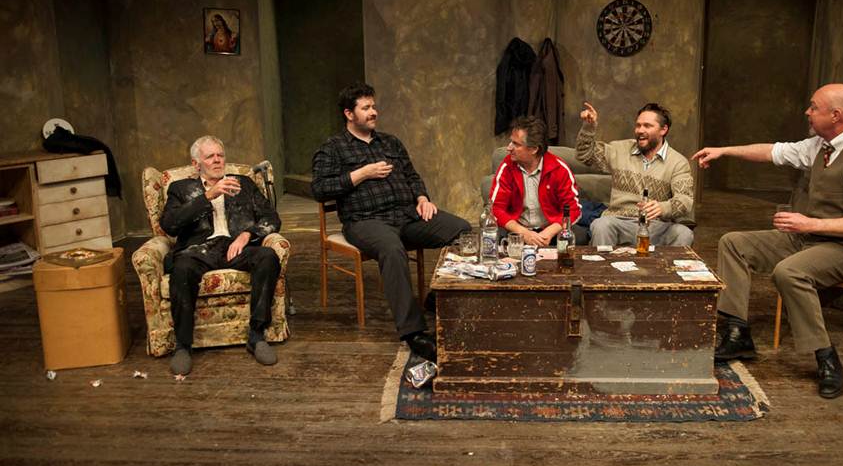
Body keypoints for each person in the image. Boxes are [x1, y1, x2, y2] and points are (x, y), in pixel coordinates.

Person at [692, 83, 843, 399]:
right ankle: (737, 333)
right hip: (808, 237)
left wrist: (810, 223)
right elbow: (773, 151)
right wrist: (724, 151)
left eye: (814, 107)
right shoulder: (820, 145)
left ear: (835, 115)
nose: (807, 112)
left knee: (789, 272)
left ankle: (826, 357)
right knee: (733, 243)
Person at [311, 83, 471, 363]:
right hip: (366, 221)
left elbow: (412, 176)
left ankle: (436, 296)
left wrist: (422, 198)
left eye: (373, 106)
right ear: (349, 113)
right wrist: (362, 173)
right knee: (392, 249)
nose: (373, 112)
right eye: (366, 108)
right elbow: (320, 189)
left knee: (463, 231)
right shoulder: (332, 148)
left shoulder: (390, 142)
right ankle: (413, 332)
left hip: (407, 215)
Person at [160, 136, 282, 376]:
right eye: (210, 156)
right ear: (196, 164)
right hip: (199, 250)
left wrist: (247, 234)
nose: (217, 160)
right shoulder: (180, 188)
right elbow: (170, 225)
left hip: (235, 247)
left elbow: (271, 218)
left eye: (220, 155)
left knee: (267, 257)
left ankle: (256, 335)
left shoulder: (243, 183)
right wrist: (208, 196)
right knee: (182, 269)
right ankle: (183, 346)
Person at [576, 101, 695, 247]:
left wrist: (663, 208)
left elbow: (685, 199)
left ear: (663, 130)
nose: (640, 130)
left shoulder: (678, 162)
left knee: (683, 233)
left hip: (656, 226)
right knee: (601, 225)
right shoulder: (619, 149)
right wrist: (588, 127)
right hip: (619, 221)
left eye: (647, 126)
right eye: (638, 125)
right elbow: (584, 155)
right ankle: (602, 263)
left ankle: (667, 264)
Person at [490, 116, 589, 246]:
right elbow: (496, 209)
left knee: (579, 236)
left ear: (534, 149)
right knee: (493, 235)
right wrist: (524, 233)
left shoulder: (559, 169)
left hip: (550, 230)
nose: (509, 148)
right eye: (511, 142)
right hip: (517, 230)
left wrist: (548, 232)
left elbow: (573, 209)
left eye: (516, 144)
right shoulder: (507, 167)